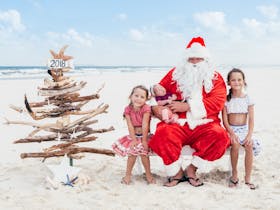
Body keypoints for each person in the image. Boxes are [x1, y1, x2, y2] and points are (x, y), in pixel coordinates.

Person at [148, 36, 230, 187]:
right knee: (162, 135)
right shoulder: (175, 74)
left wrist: (188, 106)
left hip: (206, 124)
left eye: (198, 59)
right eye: (190, 59)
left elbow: (218, 101)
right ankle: (176, 172)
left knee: (220, 137)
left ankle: (192, 169)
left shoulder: (215, 77)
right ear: (185, 59)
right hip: (177, 124)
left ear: (205, 59)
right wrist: (156, 99)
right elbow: (158, 92)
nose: (194, 62)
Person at [222, 68, 261, 190]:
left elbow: (251, 120)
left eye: (239, 80)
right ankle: (234, 175)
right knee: (235, 144)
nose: (236, 82)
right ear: (228, 82)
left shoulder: (248, 98)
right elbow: (225, 121)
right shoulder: (226, 100)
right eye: (233, 80)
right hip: (231, 130)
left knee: (249, 145)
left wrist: (249, 135)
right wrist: (232, 134)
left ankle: (248, 177)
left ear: (244, 81)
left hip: (244, 129)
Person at [112, 85, 156, 185]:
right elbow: (130, 125)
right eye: (136, 95)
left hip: (145, 136)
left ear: (146, 99)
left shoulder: (146, 109)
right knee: (132, 153)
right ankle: (128, 175)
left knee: (144, 153)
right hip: (133, 136)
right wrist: (133, 139)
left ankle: (148, 175)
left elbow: (145, 125)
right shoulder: (128, 109)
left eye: (142, 97)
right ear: (131, 96)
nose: (138, 99)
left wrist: (144, 140)